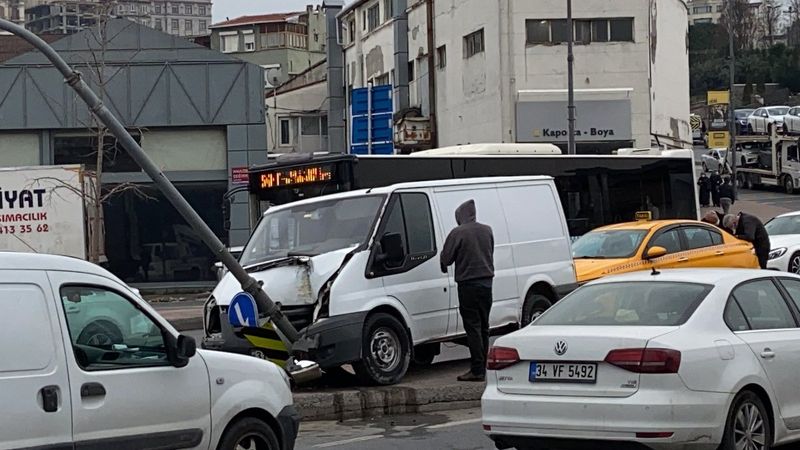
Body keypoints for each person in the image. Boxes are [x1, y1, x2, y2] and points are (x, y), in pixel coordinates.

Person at [440, 200, 495, 382]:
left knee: (473, 327)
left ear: (460, 216)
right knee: (484, 327)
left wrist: (444, 260)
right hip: (487, 284)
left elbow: (446, 258)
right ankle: (484, 367)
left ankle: (477, 370)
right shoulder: (487, 230)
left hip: (468, 285)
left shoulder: (458, 233)